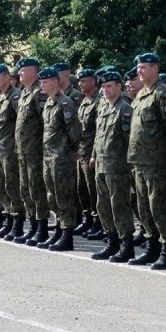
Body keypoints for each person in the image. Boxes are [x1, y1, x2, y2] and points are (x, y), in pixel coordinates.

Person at [127, 53, 166, 269]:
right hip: (139, 161)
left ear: (155, 68)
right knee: (144, 207)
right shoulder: (140, 95)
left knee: (160, 206)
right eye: (138, 68)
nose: (140, 71)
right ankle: (152, 248)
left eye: (144, 67)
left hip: (157, 161)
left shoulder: (163, 94)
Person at [91, 70, 136, 261]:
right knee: (103, 206)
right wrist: (93, 155)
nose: (105, 90)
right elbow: (98, 135)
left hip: (117, 167)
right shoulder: (103, 108)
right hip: (102, 164)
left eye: (109, 86)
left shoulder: (125, 109)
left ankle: (126, 246)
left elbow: (130, 140)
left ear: (119, 86)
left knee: (119, 207)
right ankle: (112, 242)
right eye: (103, 86)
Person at [39, 65, 82, 251]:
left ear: (55, 82)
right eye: (41, 81)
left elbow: (74, 130)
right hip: (49, 157)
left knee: (64, 197)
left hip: (61, 158)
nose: (42, 84)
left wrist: (70, 150)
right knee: (52, 197)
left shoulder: (64, 103)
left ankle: (67, 235)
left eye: (46, 81)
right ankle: (58, 230)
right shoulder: (49, 102)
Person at [13, 57, 47, 244]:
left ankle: (41, 229)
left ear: (34, 72)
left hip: (35, 150)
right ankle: (32, 226)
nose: (19, 74)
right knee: (26, 189)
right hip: (23, 150)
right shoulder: (24, 93)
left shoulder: (38, 93)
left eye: (23, 70)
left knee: (36, 190)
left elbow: (45, 123)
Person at [0, 63, 21, 238]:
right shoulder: (1, 97)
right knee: (1, 186)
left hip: (10, 149)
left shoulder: (15, 97)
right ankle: (8, 221)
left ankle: (16, 224)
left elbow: (20, 124)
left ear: (8, 78)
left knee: (12, 186)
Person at [76, 68, 102, 238]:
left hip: (92, 152)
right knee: (82, 189)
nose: (80, 84)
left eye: (84, 81)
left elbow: (99, 131)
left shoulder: (98, 101)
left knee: (94, 191)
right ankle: (87, 220)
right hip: (81, 151)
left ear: (93, 82)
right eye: (79, 81)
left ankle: (98, 222)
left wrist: (94, 154)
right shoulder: (85, 101)